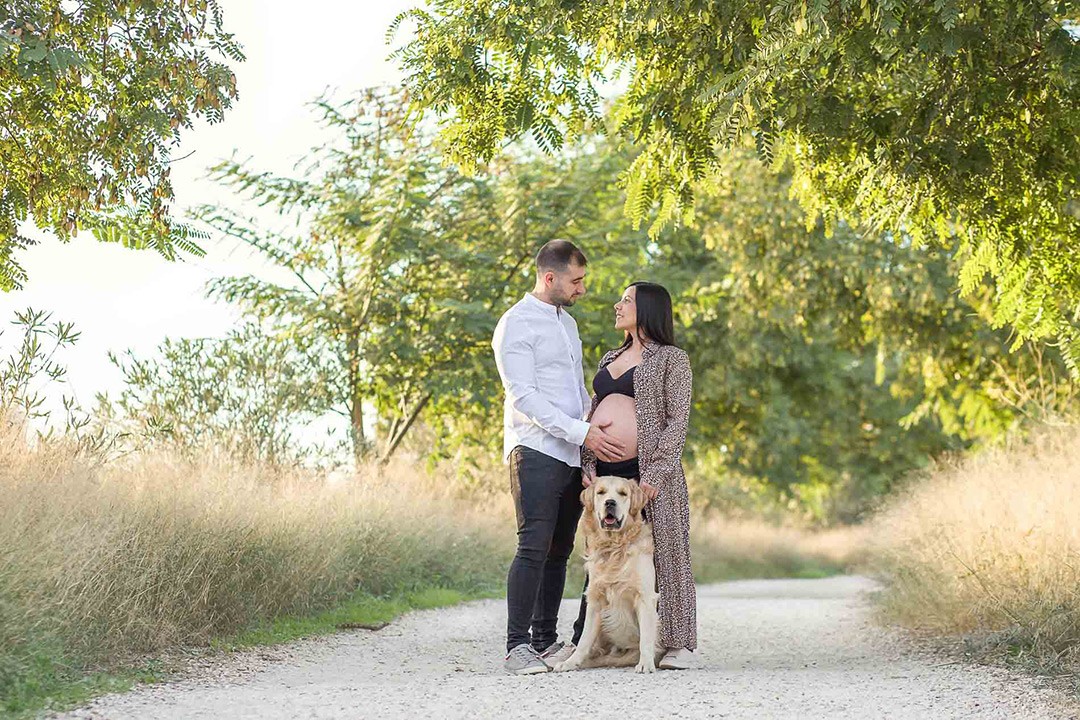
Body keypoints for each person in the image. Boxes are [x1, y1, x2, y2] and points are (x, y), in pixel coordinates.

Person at [491, 239, 626, 675]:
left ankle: (545, 642)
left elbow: (573, 391)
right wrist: (583, 433)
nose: (582, 289)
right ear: (550, 278)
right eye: (576, 280)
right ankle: (516, 648)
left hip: (572, 454)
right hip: (535, 449)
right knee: (533, 545)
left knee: (560, 549)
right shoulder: (515, 324)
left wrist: (595, 420)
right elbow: (524, 396)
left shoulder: (567, 325)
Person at [558, 281, 698, 670]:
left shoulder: (672, 359)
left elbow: (677, 420)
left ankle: (678, 643)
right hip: (605, 474)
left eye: (626, 300)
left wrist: (655, 474)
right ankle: (591, 641)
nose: (617, 305)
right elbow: (593, 413)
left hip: (652, 472)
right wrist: (588, 464)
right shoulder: (608, 358)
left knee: (669, 552)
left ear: (648, 308)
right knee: (603, 556)